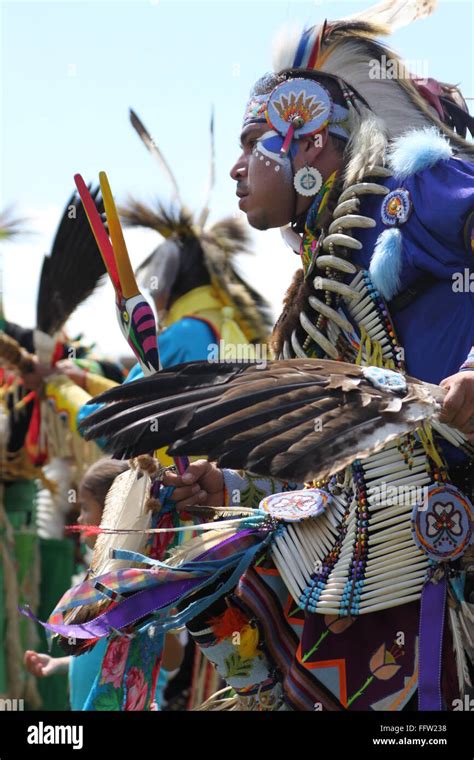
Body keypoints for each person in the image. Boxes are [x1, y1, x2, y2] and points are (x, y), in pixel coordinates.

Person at [24, 458, 183, 710]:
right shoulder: (98, 580)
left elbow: (173, 661)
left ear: (115, 511)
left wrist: (153, 617)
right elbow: (100, 658)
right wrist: (58, 665)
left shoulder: (144, 582)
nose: (79, 517)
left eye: (85, 508)